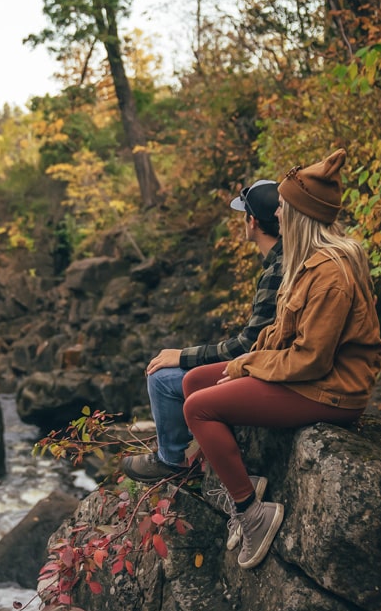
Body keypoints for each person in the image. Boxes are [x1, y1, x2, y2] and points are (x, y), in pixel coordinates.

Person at [180, 148, 381, 570]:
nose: (277, 213)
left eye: (284, 207)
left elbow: (310, 360)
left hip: (331, 390)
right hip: (307, 375)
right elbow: (281, 332)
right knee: (194, 382)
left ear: (300, 215)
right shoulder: (303, 260)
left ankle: (253, 512)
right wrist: (247, 360)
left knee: (198, 408)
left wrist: (245, 366)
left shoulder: (332, 274)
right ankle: (237, 478)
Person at [121, 178, 284, 484]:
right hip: (272, 366)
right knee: (180, 376)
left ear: (251, 222)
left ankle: (174, 461)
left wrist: (182, 356)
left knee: (162, 379)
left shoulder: (278, 269)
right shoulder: (286, 260)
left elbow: (248, 345)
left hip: (269, 371)